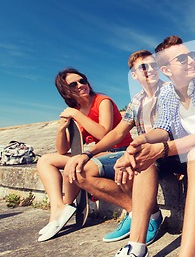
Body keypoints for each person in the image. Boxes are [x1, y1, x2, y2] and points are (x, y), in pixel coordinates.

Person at [99, 36, 195, 257]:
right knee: (146, 159)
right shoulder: (167, 94)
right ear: (166, 70)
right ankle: (136, 250)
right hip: (188, 151)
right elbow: (163, 128)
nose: (190, 61)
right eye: (182, 58)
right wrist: (140, 142)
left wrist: (164, 149)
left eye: (191, 56)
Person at [64, 50, 167, 244]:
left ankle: (151, 217)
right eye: (142, 67)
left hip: (166, 152)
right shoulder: (137, 100)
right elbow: (117, 133)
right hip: (142, 150)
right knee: (81, 172)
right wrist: (87, 154)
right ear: (134, 75)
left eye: (153, 65)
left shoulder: (171, 91)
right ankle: (137, 212)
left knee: (130, 163)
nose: (150, 70)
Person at [37, 68, 132, 242]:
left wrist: (74, 114)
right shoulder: (76, 110)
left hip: (117, 150)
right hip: (93, 153)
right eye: (74, 84)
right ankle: (58, 207)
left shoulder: (102, 101)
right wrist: (61, 128)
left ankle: (65, 206)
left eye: (83, 81)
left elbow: (104, 134)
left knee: (74, 163)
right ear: (66, 91)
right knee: (45, 160)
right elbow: (61, 149)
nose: (81, 85)